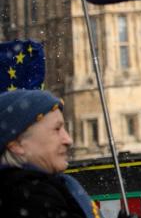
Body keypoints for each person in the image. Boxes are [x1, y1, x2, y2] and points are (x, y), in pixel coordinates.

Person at [0, 89, 122, 218]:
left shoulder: (47, 189)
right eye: (56, 129)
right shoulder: (29, 199)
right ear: (17, 145)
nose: (68, 140)